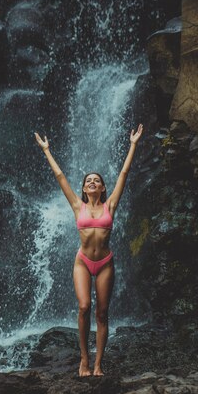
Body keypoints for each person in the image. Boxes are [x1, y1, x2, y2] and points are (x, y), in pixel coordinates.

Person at [34, 124, 144, 377]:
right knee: (84, 306)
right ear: (84, 189)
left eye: (97, 180)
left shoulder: (110, 204)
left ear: (102, 188)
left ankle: (98, 365)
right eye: (88, 181)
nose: (92, 182)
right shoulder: (77, 205)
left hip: (105, 262)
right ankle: (84, 359)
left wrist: (133, 145)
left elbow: (124, 174)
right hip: (83, 262)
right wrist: (46, 150)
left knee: (102, 312)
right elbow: (60, 176)